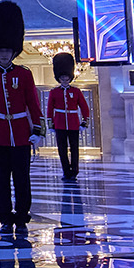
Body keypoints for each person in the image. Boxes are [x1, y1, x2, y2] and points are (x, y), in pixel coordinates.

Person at [0, 1, 42, 236]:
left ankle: (22, 216)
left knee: (22, 180)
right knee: (1, 180)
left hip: (21, 134)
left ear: (13, 51)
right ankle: (4, 217)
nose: (4, 55)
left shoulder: (24, 74)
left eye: (7, 51)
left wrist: (37, 130)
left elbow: (33, 104)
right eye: (0, 51)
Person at [48, 53, 90, 181]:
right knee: (62, 149)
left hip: (73, 123)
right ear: (59, 78)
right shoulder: (54, 92)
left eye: (66, 78)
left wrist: (84, 121)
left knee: (74, 149)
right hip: (60, 123)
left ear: (70, 77)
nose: (65, 80)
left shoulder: (76, 91)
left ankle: (74, 171)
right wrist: (51, 123)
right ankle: (66, 171)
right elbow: (50, 108)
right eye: (62, 78)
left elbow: (84, 107)